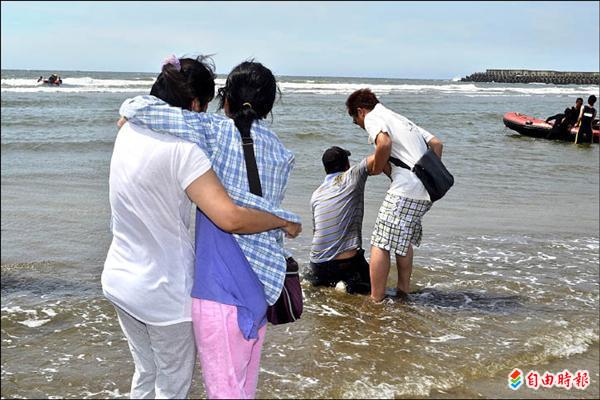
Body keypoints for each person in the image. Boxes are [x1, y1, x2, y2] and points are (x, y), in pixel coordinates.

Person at [103, 56, 301, 399]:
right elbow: (234, 216)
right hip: (240, 287)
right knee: (206, 385)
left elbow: (152, 112)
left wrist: (132, 108)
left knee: (151, 374)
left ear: (226, 101)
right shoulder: (278, 155)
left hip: (133, 280)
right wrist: (282, 220)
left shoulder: (140, 134)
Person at [346, 88, 444, 302]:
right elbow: (436, 143)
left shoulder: (373, 117)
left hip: (406, 188)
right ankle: (403, 290)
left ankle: (376, 299)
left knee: (380, 242)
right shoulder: (399, 118)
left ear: (360, 111)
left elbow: (385, 143)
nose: (360, 126)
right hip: (425, 191)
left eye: (356, 121)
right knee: (402, 239)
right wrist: (428, 174)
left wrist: (376, 168)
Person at [306, 146, 378, 294]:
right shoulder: (352, 176)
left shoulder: (316, 194)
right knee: (377, 289)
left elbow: (316, 231)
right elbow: (382, 150)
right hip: (343, 265)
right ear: (347, 165)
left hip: (317, 265)